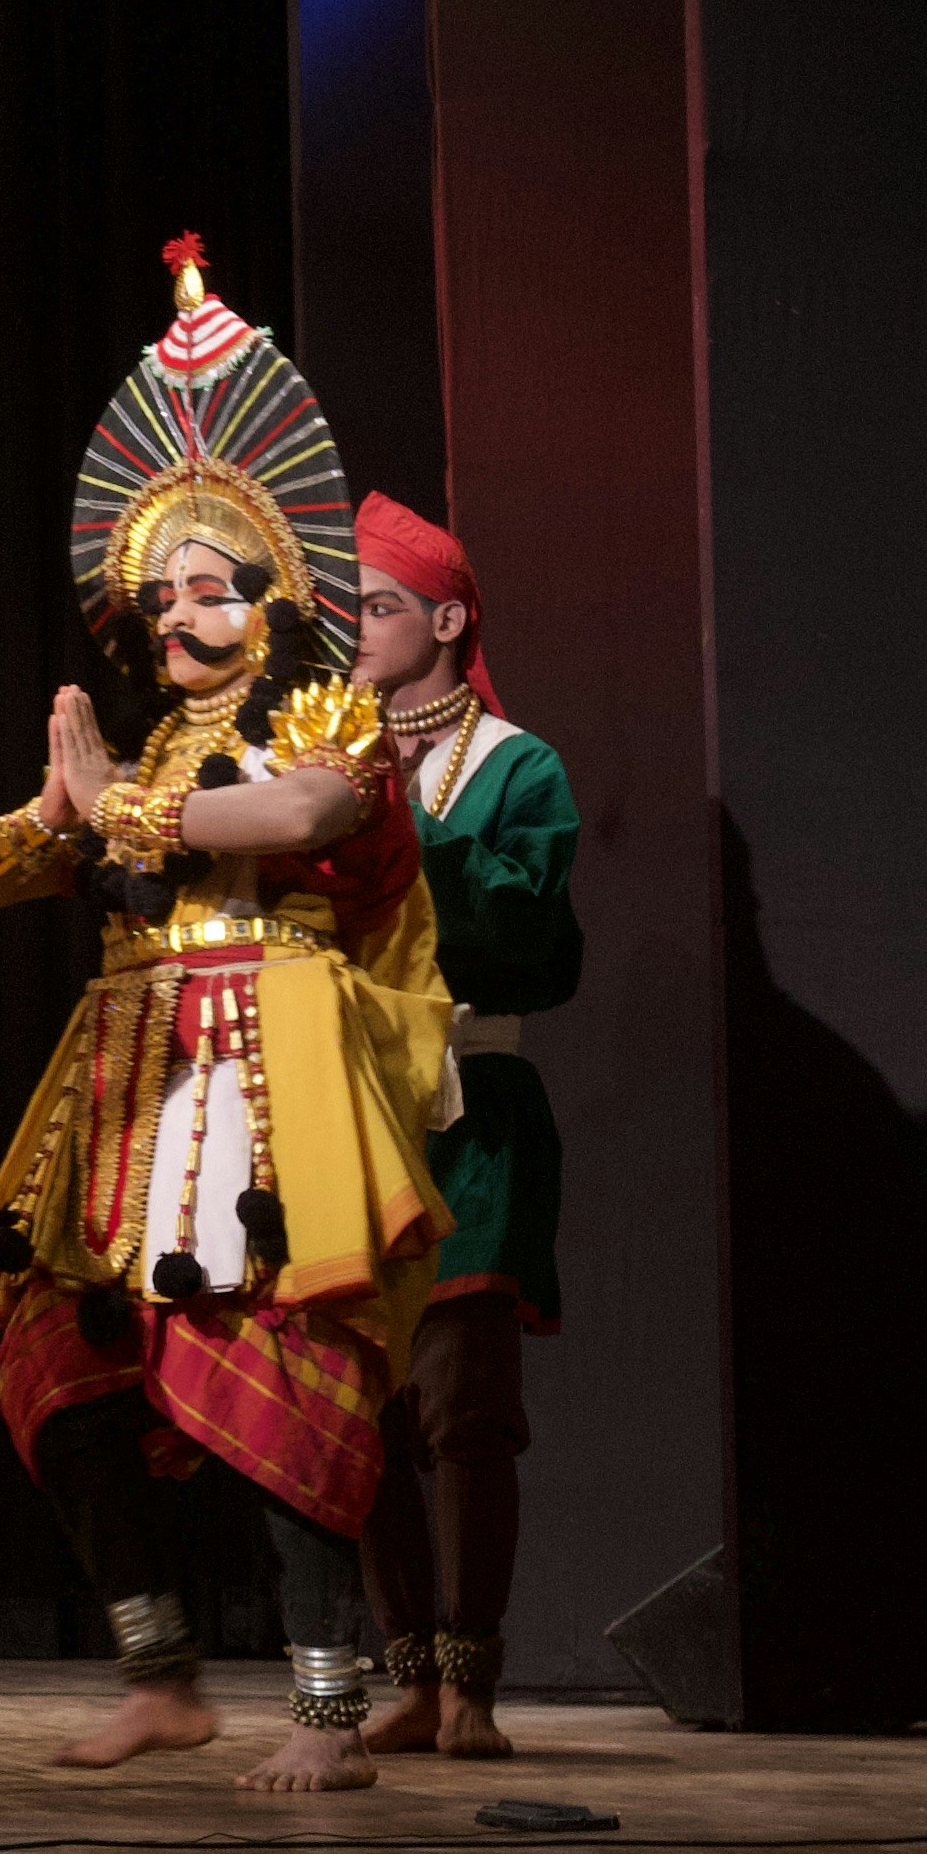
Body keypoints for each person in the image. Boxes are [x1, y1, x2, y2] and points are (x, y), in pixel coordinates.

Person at [0, 240, 451, 1793]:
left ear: (271, 602)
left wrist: (132, 825)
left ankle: (322, 1708)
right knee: (56, 1357)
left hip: (272, 1053)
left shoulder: (320, 715)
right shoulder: (142, 745)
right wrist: (55, 818)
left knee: (276, 1362)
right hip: (134, 1069)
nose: (176, 608)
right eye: (160, 588)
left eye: (209, 586)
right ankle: (159, 1668)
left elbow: (309, 813)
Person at [346, 490, 577, 1760]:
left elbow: (526, 936)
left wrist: (395, 821)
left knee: (462, 1412)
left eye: (381, 605)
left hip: (469, 1108)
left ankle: (476, 1677)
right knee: (366, 1414)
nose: (359, 627)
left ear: (446, 617)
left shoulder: (512, 766)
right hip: (351, 1112)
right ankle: (412, 1672)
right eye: (351, 607)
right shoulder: (325, 747)